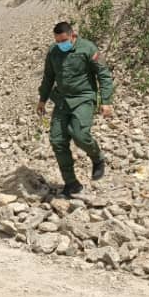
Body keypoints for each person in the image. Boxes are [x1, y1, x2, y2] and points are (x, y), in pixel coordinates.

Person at [36, 21, 114, 197]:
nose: (61, 44)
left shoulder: (87, 48)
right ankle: (71, 183)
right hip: (62, 101)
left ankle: (97, 157)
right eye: (57, 41)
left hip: (83, 98)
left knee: (79, 134)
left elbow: (103, 74)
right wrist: (42, 100)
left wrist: (106, 101)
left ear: (73, 36)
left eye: (64, 40)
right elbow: (48, 77)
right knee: (57, 141)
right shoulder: (53, 52)